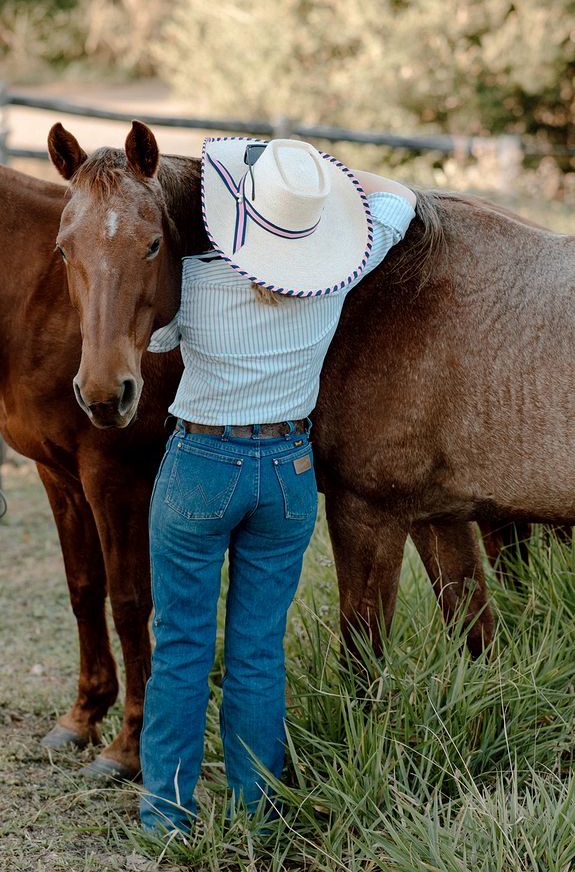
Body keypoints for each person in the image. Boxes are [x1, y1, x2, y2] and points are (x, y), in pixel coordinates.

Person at [140, 136, 416, 836]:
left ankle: (168, 815)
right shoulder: (339, 272)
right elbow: (399, 198)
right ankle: (254, 814)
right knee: (259, 646)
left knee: (180, 645)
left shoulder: (195, 280)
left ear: (238, 215)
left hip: (201, 465)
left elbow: (156, 339)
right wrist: (323, 179)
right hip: (289, 470)